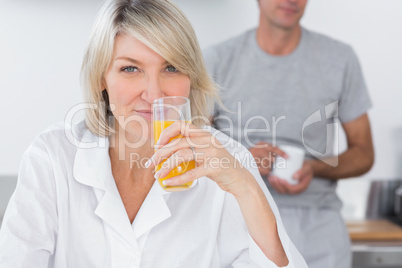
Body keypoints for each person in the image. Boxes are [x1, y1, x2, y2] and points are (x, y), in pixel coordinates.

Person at [0, 0, 308, 267]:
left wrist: (246, 187)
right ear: (101, 79)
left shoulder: (228, 161)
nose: (153, 92)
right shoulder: (52, 157)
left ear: (191, 78)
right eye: (130, 69)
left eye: (171, 68)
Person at [204, 0, 374, 267]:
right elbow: (194, 145)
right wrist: (243, 161)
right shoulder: (217, 59)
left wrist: (314, 168)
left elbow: (364, 153)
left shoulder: (340, 59)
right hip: (239, 218)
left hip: (318, 225)